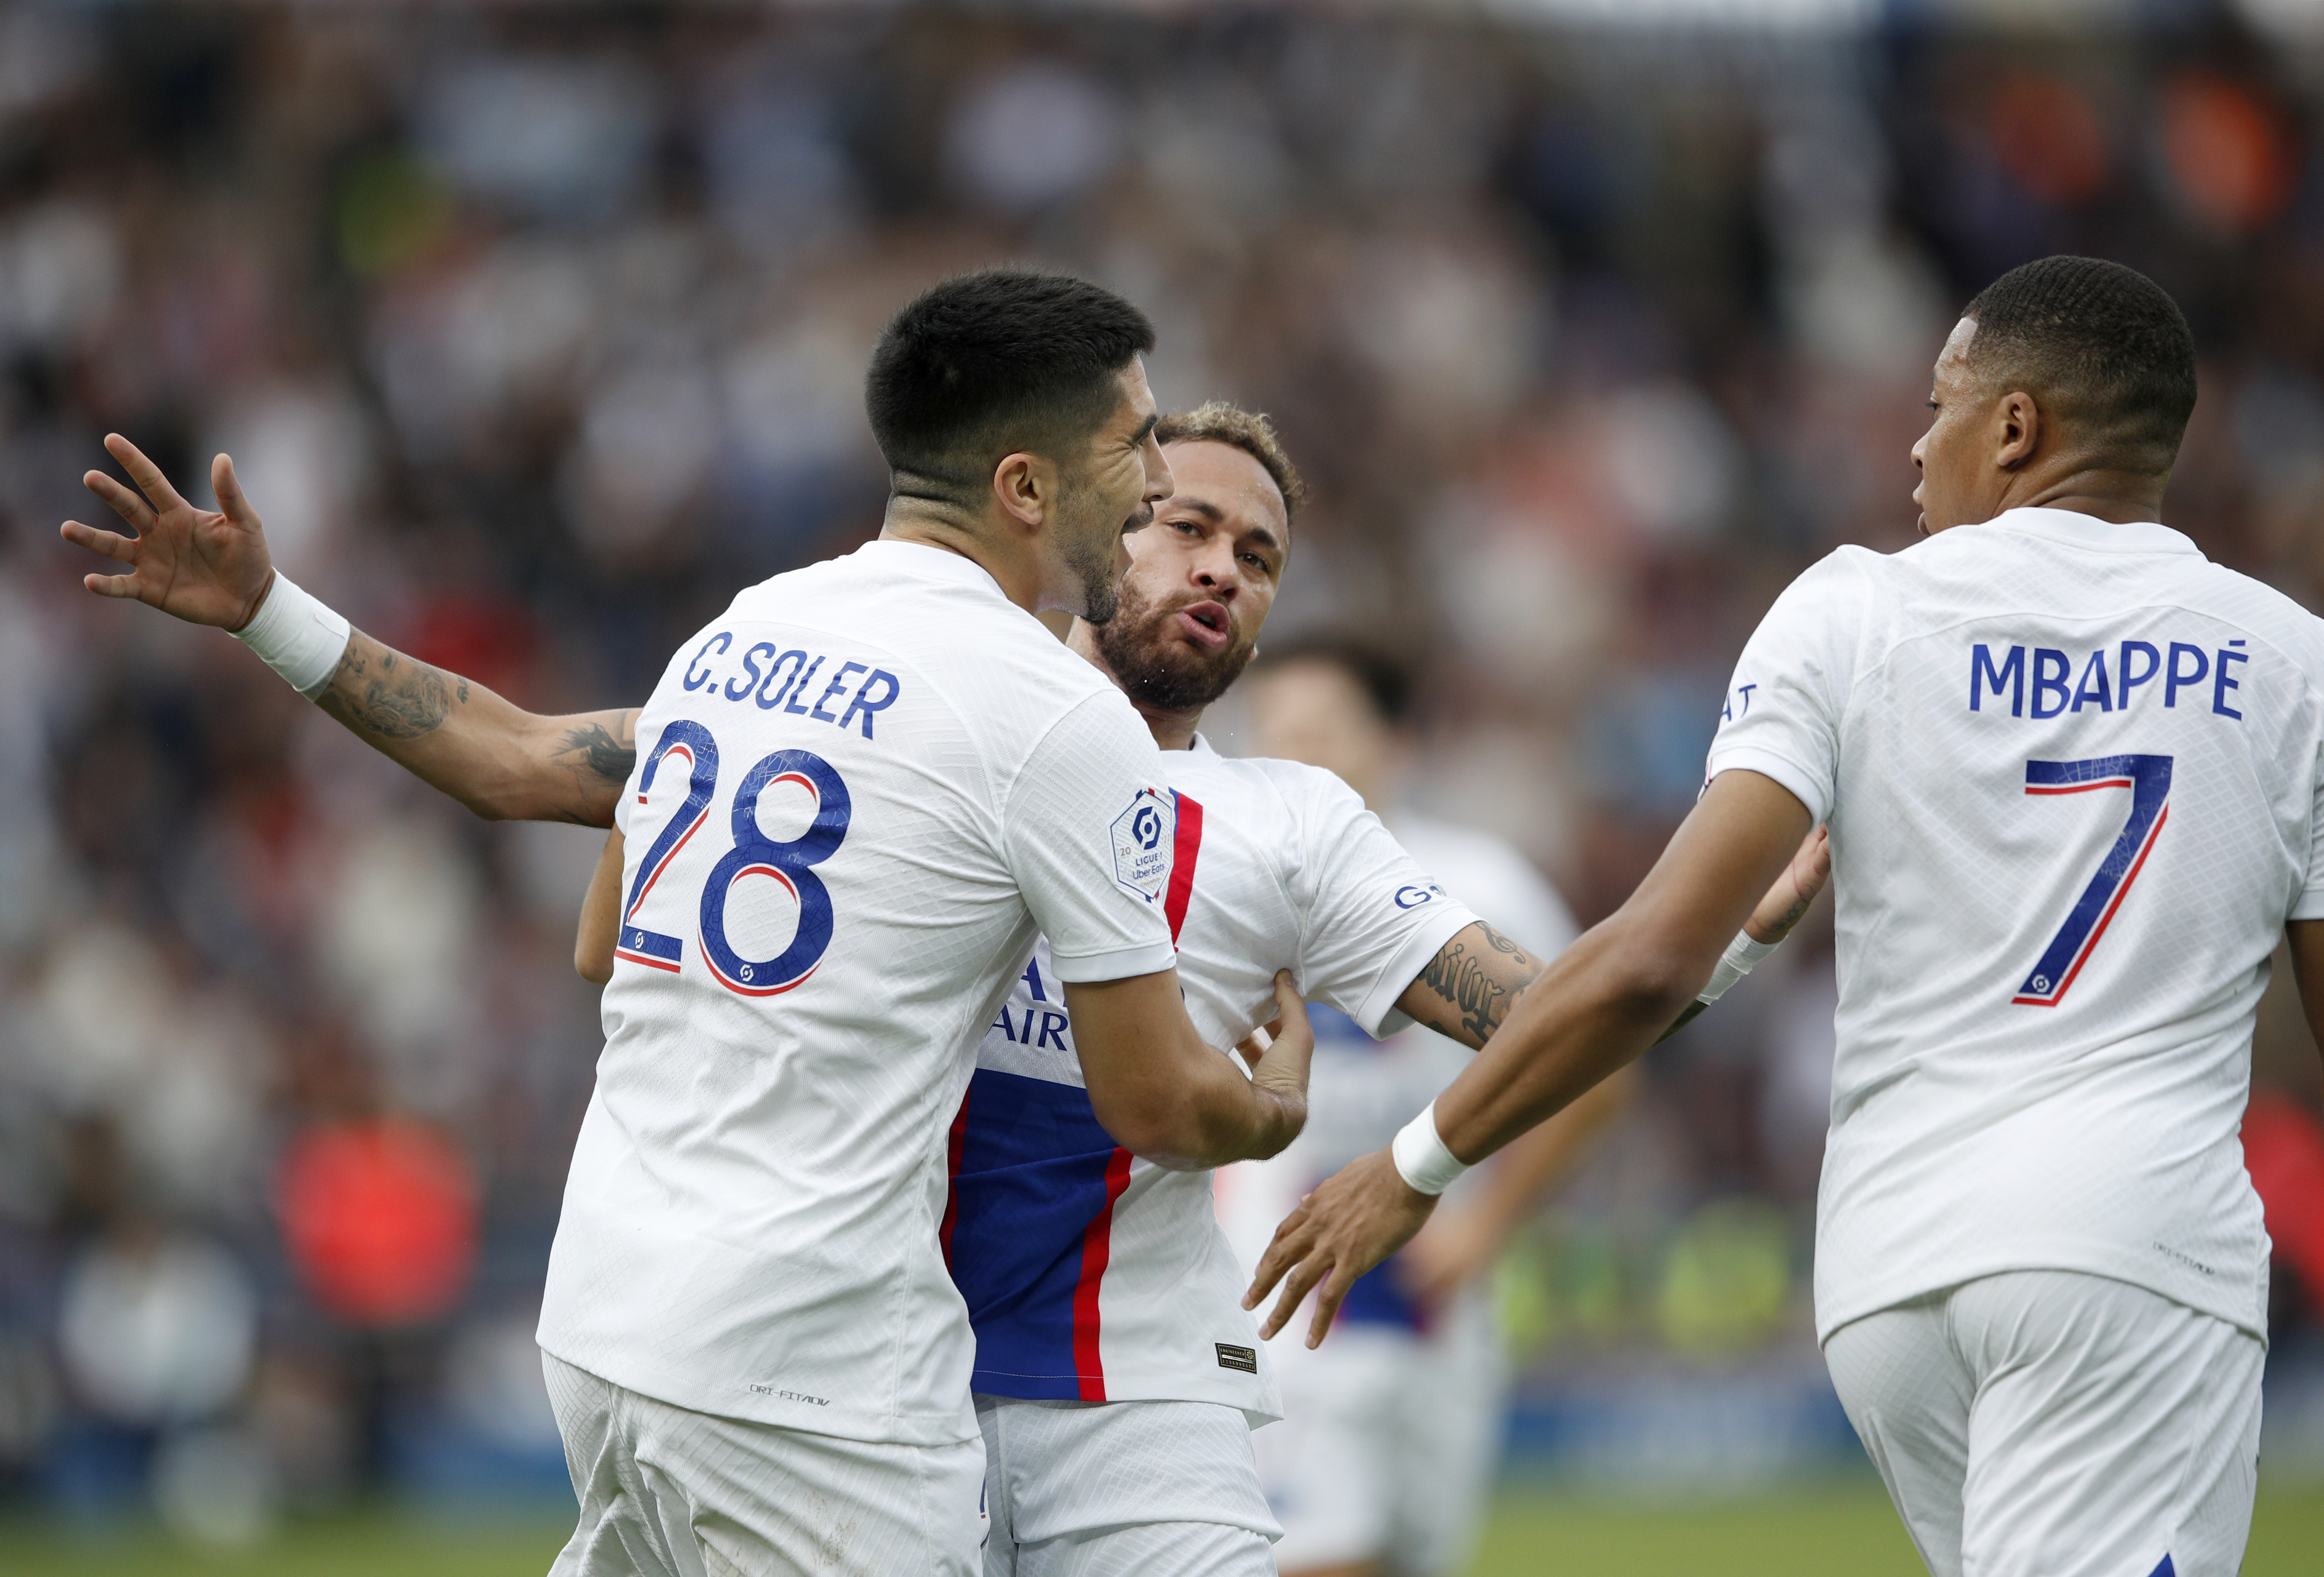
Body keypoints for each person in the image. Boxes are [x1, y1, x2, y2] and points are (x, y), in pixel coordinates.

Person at [62, 269, 1316, 1577]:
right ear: (1024, 484)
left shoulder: (746, 632)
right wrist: (1273, 1099)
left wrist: (271, 609)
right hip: (814, 1367)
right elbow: (1158, 1104)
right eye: (1131, 440)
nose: (1155, 469)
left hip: (612, 1315)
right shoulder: (1060, 723)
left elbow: (517, 774)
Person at [1246, 255, 2324, 1577]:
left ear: (2013, 428)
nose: (1911, 439)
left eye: (1938, 403)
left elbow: (1650, 953)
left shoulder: (1848, 608)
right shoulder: (2302, 665)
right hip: (2124, 1247)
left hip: (1890, 1271)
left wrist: (1415, 1159)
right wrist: (1416, 1170)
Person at [567, 399, 1819, 1577]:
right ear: (1097, 529)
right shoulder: (921, 716)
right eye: (1189, 528)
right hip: (859, 1379)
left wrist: (1723, 941)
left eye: (1260, 556)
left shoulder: (1291, 828)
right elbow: (617, 921)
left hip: (1137, 1403)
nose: (1225, 568)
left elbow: (1544, 1013)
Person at [1219, 638, 1581, 1577]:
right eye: (1273, 733)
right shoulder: (1223, 887)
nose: (1293, 756)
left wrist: (1487, 1225)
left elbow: (1597, 1067)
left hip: (1436, 1305)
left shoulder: (1483, 887)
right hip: (1286, 1294)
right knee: (1323, 1555)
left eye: (1320, 731)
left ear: (1398, 742)